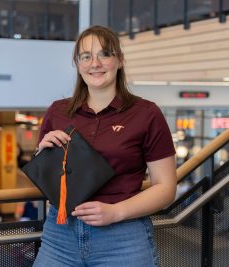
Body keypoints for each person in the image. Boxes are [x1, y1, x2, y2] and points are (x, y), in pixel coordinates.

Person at [32, 25, 177, 266]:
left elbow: (166, 188)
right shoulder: (57, 111)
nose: (94, 63)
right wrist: (42, 153)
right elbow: (51, 179)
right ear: (78, 65)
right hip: (60, 235)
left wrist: (115, 212)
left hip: (123, 237)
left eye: (104, 54)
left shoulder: (146, 114)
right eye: (86, 56)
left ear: (119, 60)